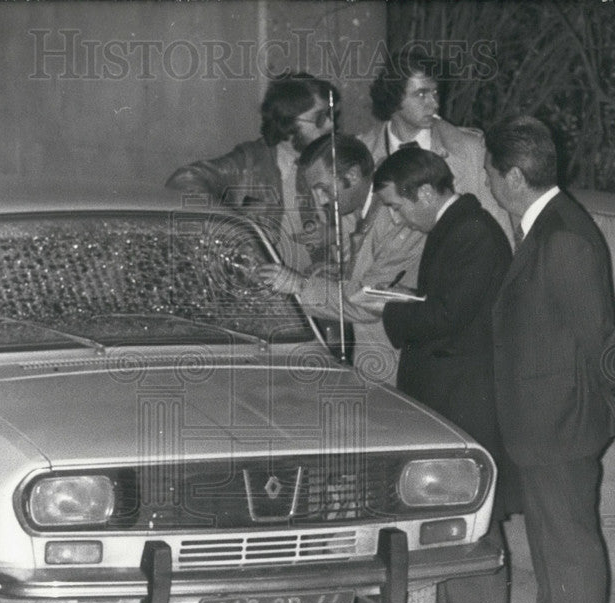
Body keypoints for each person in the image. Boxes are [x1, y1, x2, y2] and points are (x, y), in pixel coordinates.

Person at [483, 115, 615, 603]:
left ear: (514, 176)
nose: (489, 182)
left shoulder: (562, 234)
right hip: (542, 418)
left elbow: (597, 331)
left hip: (560, 419)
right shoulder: (544, 225)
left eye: (492, 173)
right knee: (547, 540)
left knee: (568, 541)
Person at [375, 147, 516, 603]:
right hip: (450, 391)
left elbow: (449, 316)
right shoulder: (457, 229)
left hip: (464, 394)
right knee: (443, 512)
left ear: (427, 194)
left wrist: (389, 310)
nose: (395, 217)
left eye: (397, 206)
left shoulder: (473, 234)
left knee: (470, 516)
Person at [256, 134, 424, 384]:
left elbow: (369, 301)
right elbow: (350, 274)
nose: (320, 201)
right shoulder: (353, 210)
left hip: (395, 366)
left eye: (323, 189)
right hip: (365, 359)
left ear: (353, 176)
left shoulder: (397, 219)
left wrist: (300, 285)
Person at [166, 72, 339, 272]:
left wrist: (332, 234)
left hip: (308, 294)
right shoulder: (247, 162)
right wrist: (231, 228)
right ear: (288, 121)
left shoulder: (321, 164)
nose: (330, 125)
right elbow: (183, 179)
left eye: (330, 116)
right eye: (319, 118)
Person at [359, 49, 510, 239]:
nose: (435, 104)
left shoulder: (470, 150)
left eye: (435, 92)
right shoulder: (363, 151)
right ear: (393, 97)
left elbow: (498, 228)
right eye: (421, 94)